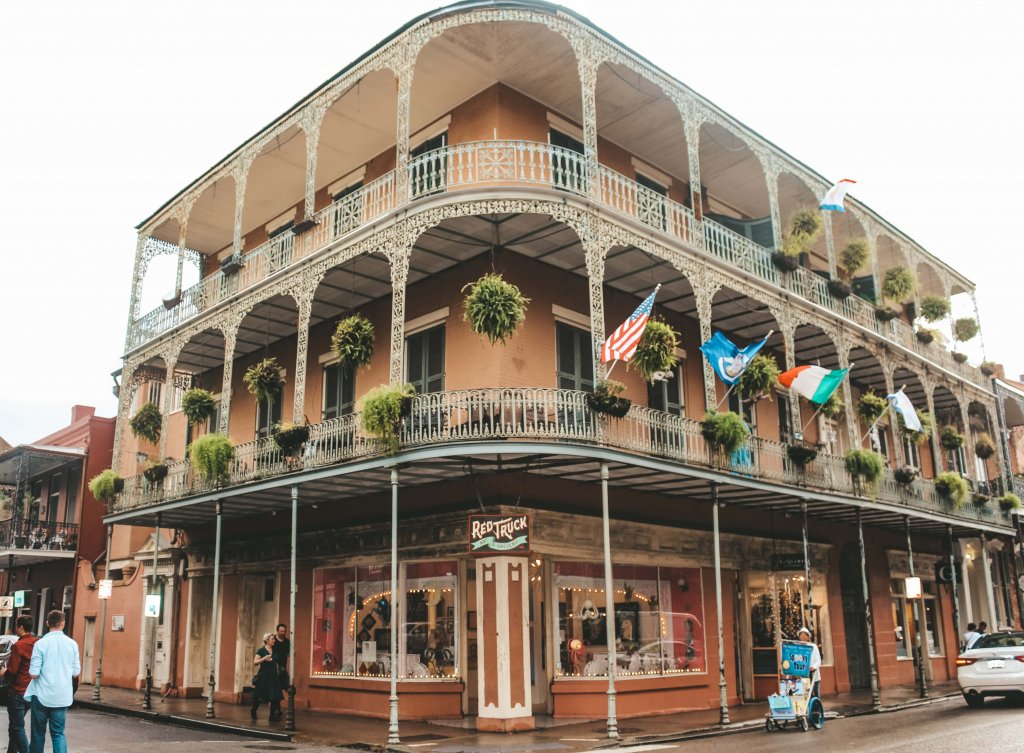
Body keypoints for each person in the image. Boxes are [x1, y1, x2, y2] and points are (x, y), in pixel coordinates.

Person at [24, 610, 80, 753]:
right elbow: (75, 672)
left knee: (38, 735)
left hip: (41, 695)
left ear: (47, 623)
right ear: (63, 624)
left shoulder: (40, 644)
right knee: (58, 734)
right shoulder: (72, 644)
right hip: (61, 696)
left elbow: (34, 674)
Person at [0, 616, 39, 753]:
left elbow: (13, 671)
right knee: (15, 727)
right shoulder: (37, 643)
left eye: (16, 626)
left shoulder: (19, 645)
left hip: (18, 690)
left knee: (17, 727)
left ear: (21, 627)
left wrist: (4, 673)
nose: (16, 628)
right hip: (31, 690)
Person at [251, 633, 283, 722]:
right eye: (272, 639)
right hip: (263, 675)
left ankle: (272, 715)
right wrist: (264, 658)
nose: (274, 641)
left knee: (275, 696)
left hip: (273, 676)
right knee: (259, 695)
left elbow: (276, 664)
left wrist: (278, 674)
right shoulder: (261, 650)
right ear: (267, 640)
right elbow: (255, 662)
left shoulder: (275, 651)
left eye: (274, 639)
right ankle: (254, 710)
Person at [796, 626, 822, 699]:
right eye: (801, 635)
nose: (803, 636)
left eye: (805, 635)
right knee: (807, 695)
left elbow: (818, 661)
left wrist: (813, 667)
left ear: (808, 637)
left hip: (814, 675)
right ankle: (809, 710)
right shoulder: (798, 648)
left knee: (816, 694)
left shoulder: (813, 646)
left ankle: (817, 709)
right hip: (804, 675)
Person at [272, 623, 290, 690]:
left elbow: (289, 654)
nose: (283, 633)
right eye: (281, 631)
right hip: (273, 666)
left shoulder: (287, 642)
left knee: (283, 686)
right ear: (277, 631)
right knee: (273, 686)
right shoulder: (272, 640)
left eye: (284, 631)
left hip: (282, 667)